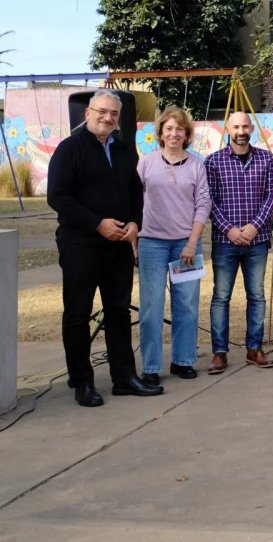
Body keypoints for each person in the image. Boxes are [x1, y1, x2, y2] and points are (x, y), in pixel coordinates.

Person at [47, 89, 163, 406]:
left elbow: (136, 193)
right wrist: (98, 223)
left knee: (118, 312)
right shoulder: (69, 149)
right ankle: (82, 382)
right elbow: (57, 197)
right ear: (88, 113)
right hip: (81, 244)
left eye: (114, 114)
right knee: (77, 314)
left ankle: (124, 377)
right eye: (102, 111)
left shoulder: (125, 151)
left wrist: (135, 224)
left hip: (119, 247)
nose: (108, 118)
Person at [136, 106, 211, 385]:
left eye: (179, 129)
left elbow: (203, 204)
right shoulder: (146, 163)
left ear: (187, 133)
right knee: (152, 306)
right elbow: (134, 201)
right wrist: (134, 241)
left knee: (187, 304)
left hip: (186, 243)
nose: (174, 134)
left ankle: (183, 360)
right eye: (169, 128)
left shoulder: (196, 165)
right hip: (151, 243)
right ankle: (152, 366)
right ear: (160, 133)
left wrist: (192, 243)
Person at [205, 112, 273, 374]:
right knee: (221, 297)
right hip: (225, 241)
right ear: (228, 128)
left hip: (257, 241)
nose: (241, 130)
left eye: (245, 126)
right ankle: (219, 353)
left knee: (257, 296)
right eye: (236, 126)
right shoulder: (213, 162)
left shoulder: (266, 158)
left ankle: (254, 349)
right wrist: (229, 230)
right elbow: (208, 200)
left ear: (251, 129)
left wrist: (254, 226)